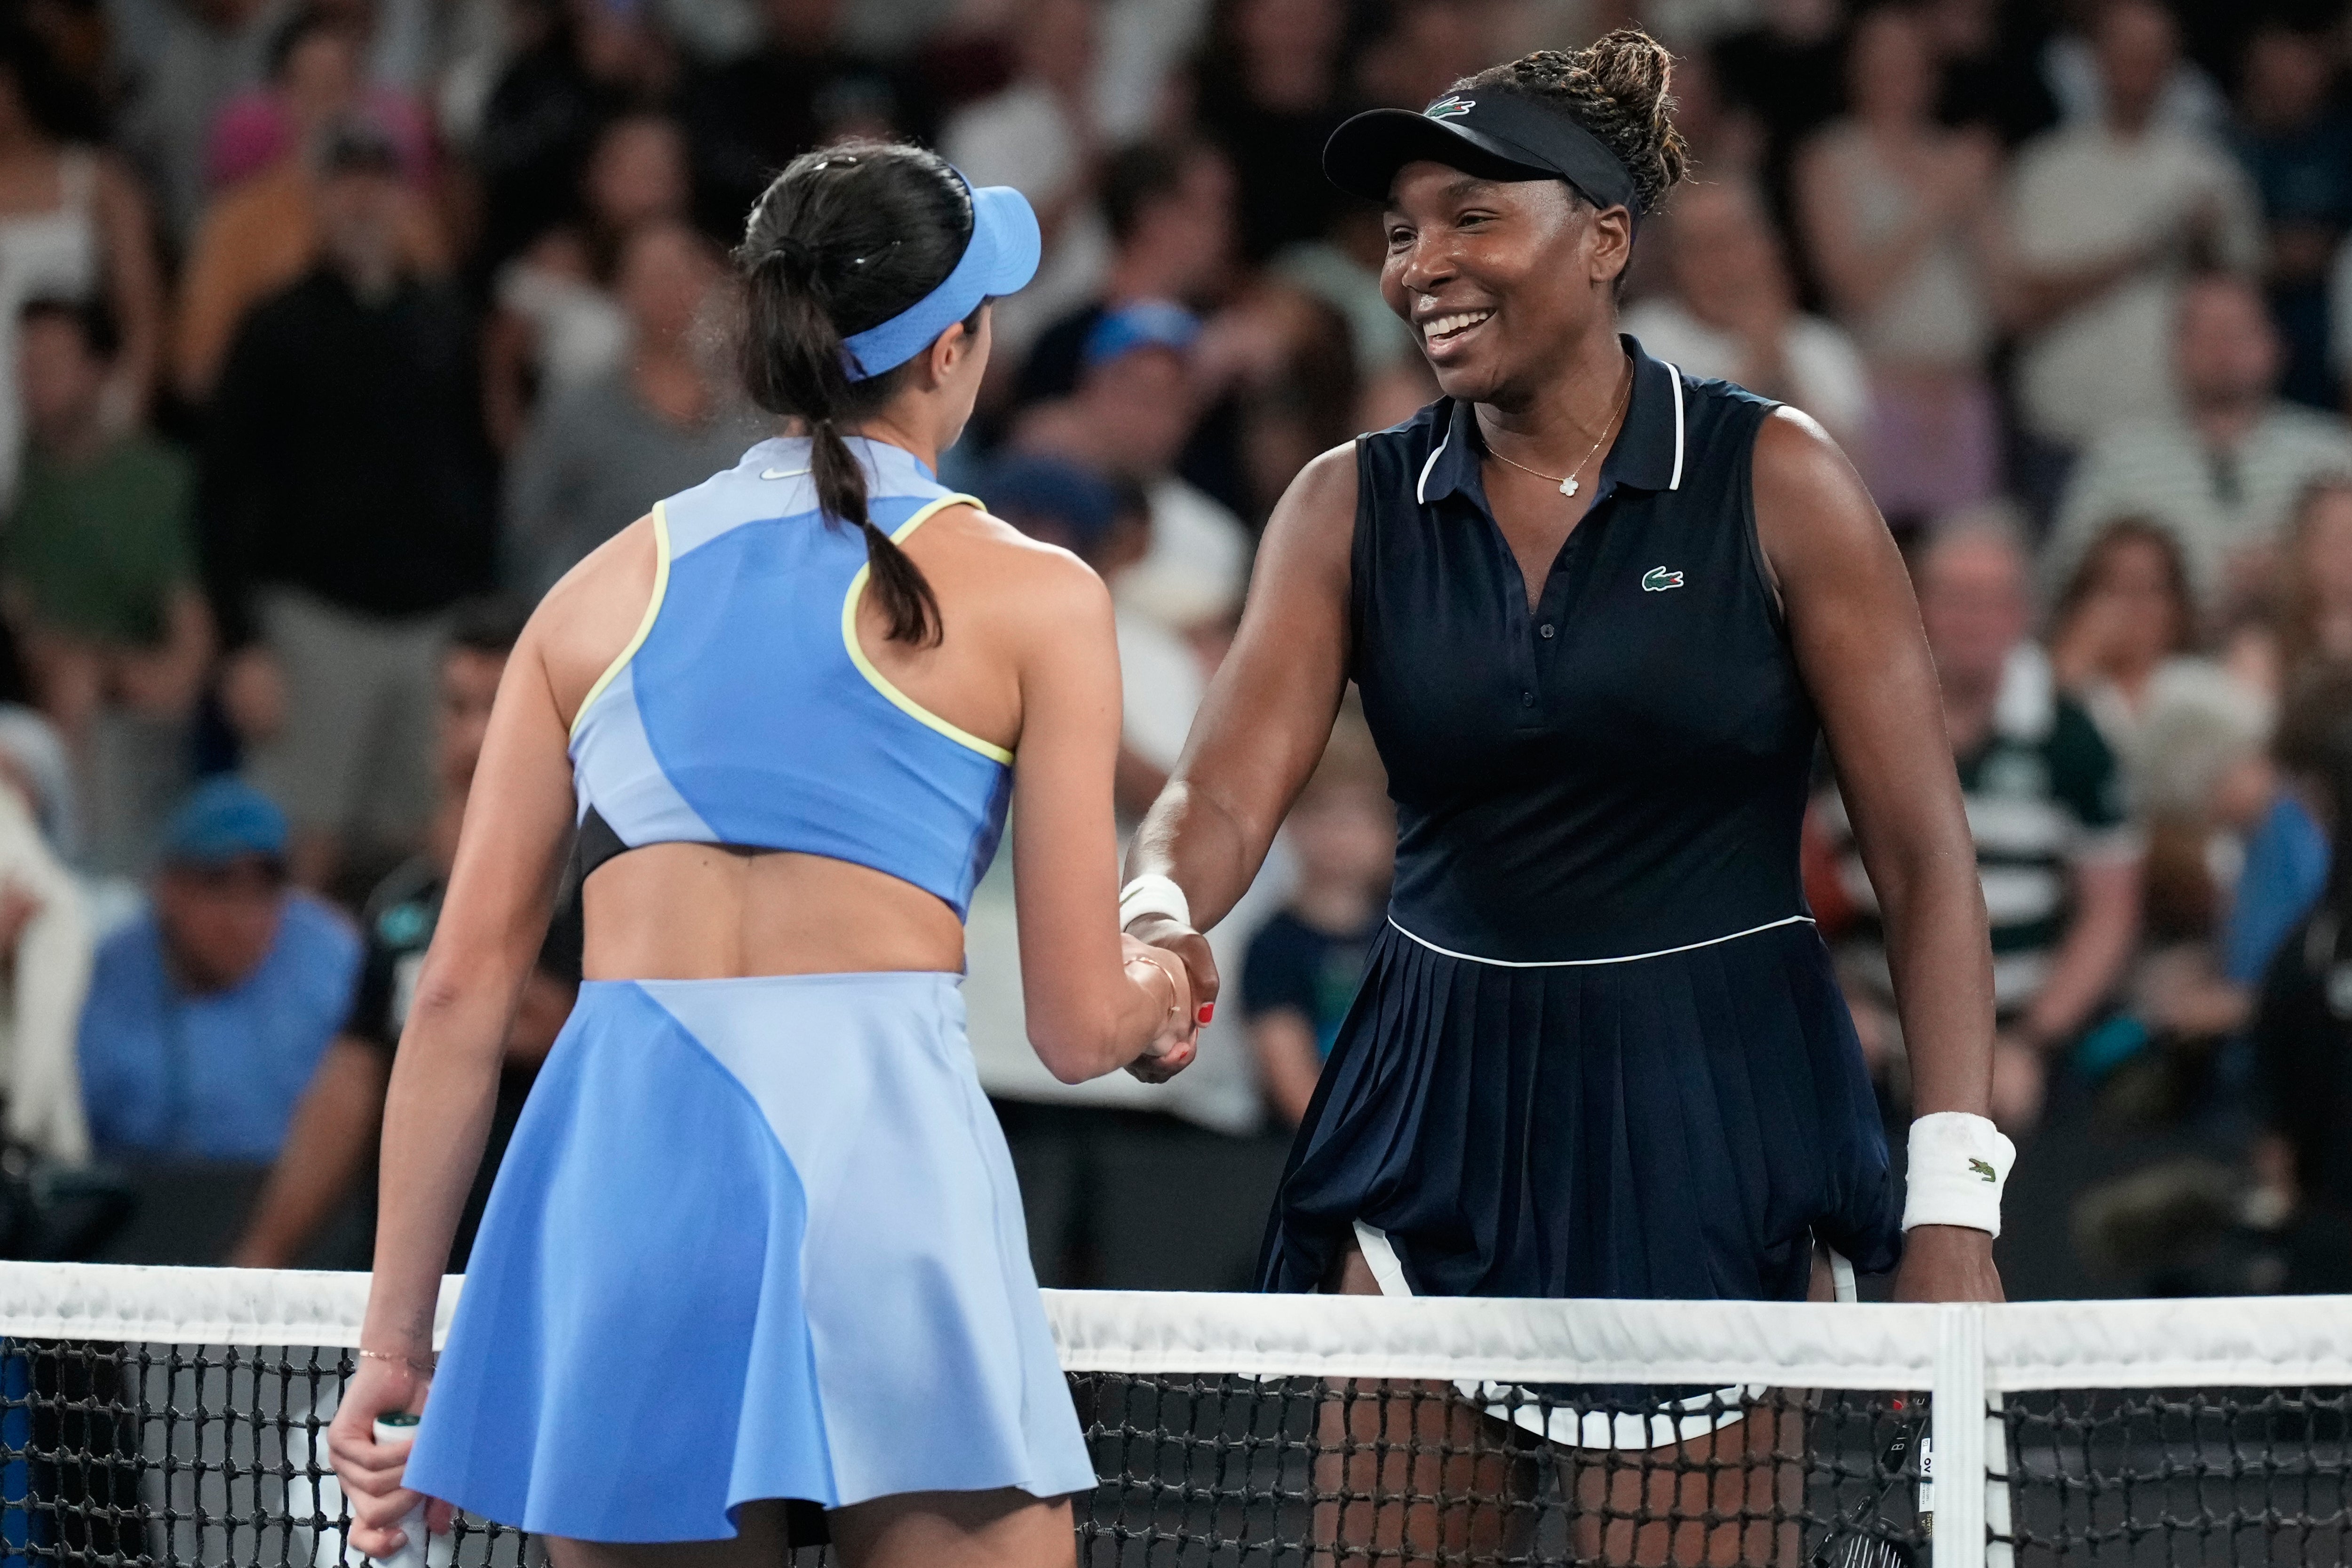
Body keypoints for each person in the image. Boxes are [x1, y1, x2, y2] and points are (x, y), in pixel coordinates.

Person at [1123, 34, 2004, 1563]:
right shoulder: (1348, 503)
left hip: (1713, 1130)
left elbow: (1925, 857)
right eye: (1401, 230)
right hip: (1434, 1122)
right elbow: (1216, 787)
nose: (1423, 265)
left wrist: (1954, 1197)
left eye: (1473, 216)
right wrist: (1154, 912)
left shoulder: (1776, 478)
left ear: (1604, 237)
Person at [330, 141, 1196, 1565]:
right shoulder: (1036, 598)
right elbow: (1076, 1023)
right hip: (882, 1176)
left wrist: (394, 1338)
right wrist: (1166, 983)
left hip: (624, 1192)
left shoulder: (588, 597)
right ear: (955, 347)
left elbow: (457, 991)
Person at [231, 601, 578, 1271]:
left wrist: (479, 876)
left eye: (498, 708)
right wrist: (265, 1251)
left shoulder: (604, 887)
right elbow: (354, 1078)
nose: (475, 739)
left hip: (547, 1276)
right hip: (411, 1292)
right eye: (457, 708)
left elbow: (557, 1030)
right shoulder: (400, 904)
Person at [201, 118, 496, 892]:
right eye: (346, 184)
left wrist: (478, 611)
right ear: (320, 201)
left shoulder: (443, 319)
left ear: (403, 201)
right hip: (312, 622)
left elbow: (475, 467)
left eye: (380, 184)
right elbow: (222, 492)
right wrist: (241, 643)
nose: (363, 202)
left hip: (431, 621)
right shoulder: (273, 328)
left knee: (430, 841)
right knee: (303, 846)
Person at [1825, 515, 2141, 1133]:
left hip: (2021, 1056)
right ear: (1915, 602)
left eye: (1991, 600)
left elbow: (2112, 910)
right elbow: (1784, 877)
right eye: (1953, 598)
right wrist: (1836, 1002)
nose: (1971, 619)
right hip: (1865, 1046)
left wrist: (2034, 1039)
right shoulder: (1852, 715)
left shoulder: (2070, 735)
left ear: (2024, 612)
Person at [2005, 0, 2262, 470]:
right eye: (2125, 53)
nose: (2137, 70)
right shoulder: (2042, 170)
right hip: (2060, 432)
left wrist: (2202, 248)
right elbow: (2017, 305)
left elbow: (2243, 309)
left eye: (2151, 55)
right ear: (2094, 60)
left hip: (2173, 434)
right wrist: (2139, 256)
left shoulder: (2209, 171)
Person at [2, 299, 209, 874]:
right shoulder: (18, 483)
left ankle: (74, 868)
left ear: (98, 371)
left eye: (51, 364)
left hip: (119, 721)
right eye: (24, 365)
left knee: (73, 681)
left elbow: (185, 668)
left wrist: (97, 668)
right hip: (22, 716)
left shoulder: (153, 484)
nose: (31, 382)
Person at [1793, 6, 2005, 524]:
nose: (1895, 76)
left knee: (1966, 565)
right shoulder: (1828, 158)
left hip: (1961, 399)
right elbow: (1854, 289)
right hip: (1875, 398)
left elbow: (2006, 300)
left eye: (1909, 62)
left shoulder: (1961, 157)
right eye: (1880, 62)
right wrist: (1936, 204)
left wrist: (1976, 205)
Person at [76, 777, 361, 1160]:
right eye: (218, 888)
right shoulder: (109, 971)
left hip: (307, 1200)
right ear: (168, 888)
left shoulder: (330, 958)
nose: (242, 920)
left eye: (264, 890)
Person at [2047, 272, 2352, 606]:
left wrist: (2295, 572)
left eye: (2237, 331)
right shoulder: (2119, 459)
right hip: (2160, 650)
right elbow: (2064, 583)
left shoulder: (2331, 452)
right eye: (2205, 334)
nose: (2222, 351)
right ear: (2174, 349)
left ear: (2276, 345)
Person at [503, 221, 769, 595]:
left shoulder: (764, 407)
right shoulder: (577, 413)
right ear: (619, 290)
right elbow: (532, 531)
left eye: (685, 274)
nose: (673, 293)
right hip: (614, 626)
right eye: (655, 277)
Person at [1618, 179, 1871, 454]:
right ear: (1672, 262)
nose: (1722, 264)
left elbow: (1850, 472)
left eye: (1733, 240)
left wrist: (1776, 357)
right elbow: (1666, 461)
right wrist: (1757, 362)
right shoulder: (1640, 341)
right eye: (1699, 247)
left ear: (1769, 245)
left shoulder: (1819, 345)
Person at [1240, 702, 1389, 1130]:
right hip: (1307, 1159)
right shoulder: (1274, 945)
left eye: (1362, 815)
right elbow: (1293, 1085)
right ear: (1291, 820)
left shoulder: (1411, 937)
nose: (1343, 834)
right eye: (1324, 812)